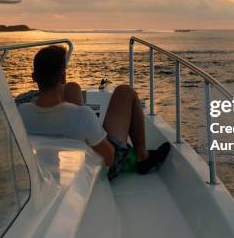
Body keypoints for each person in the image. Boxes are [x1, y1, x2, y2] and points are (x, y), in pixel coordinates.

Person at [18, 45, 171, 180]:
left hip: (63, 149)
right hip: (96, 166)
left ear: (34, 78)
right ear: (63, 76)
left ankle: (92, 133)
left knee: (73, 87)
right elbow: (109, 158)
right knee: (125, 91)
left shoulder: (21, 114)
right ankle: (142, 156)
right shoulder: (82, 115)